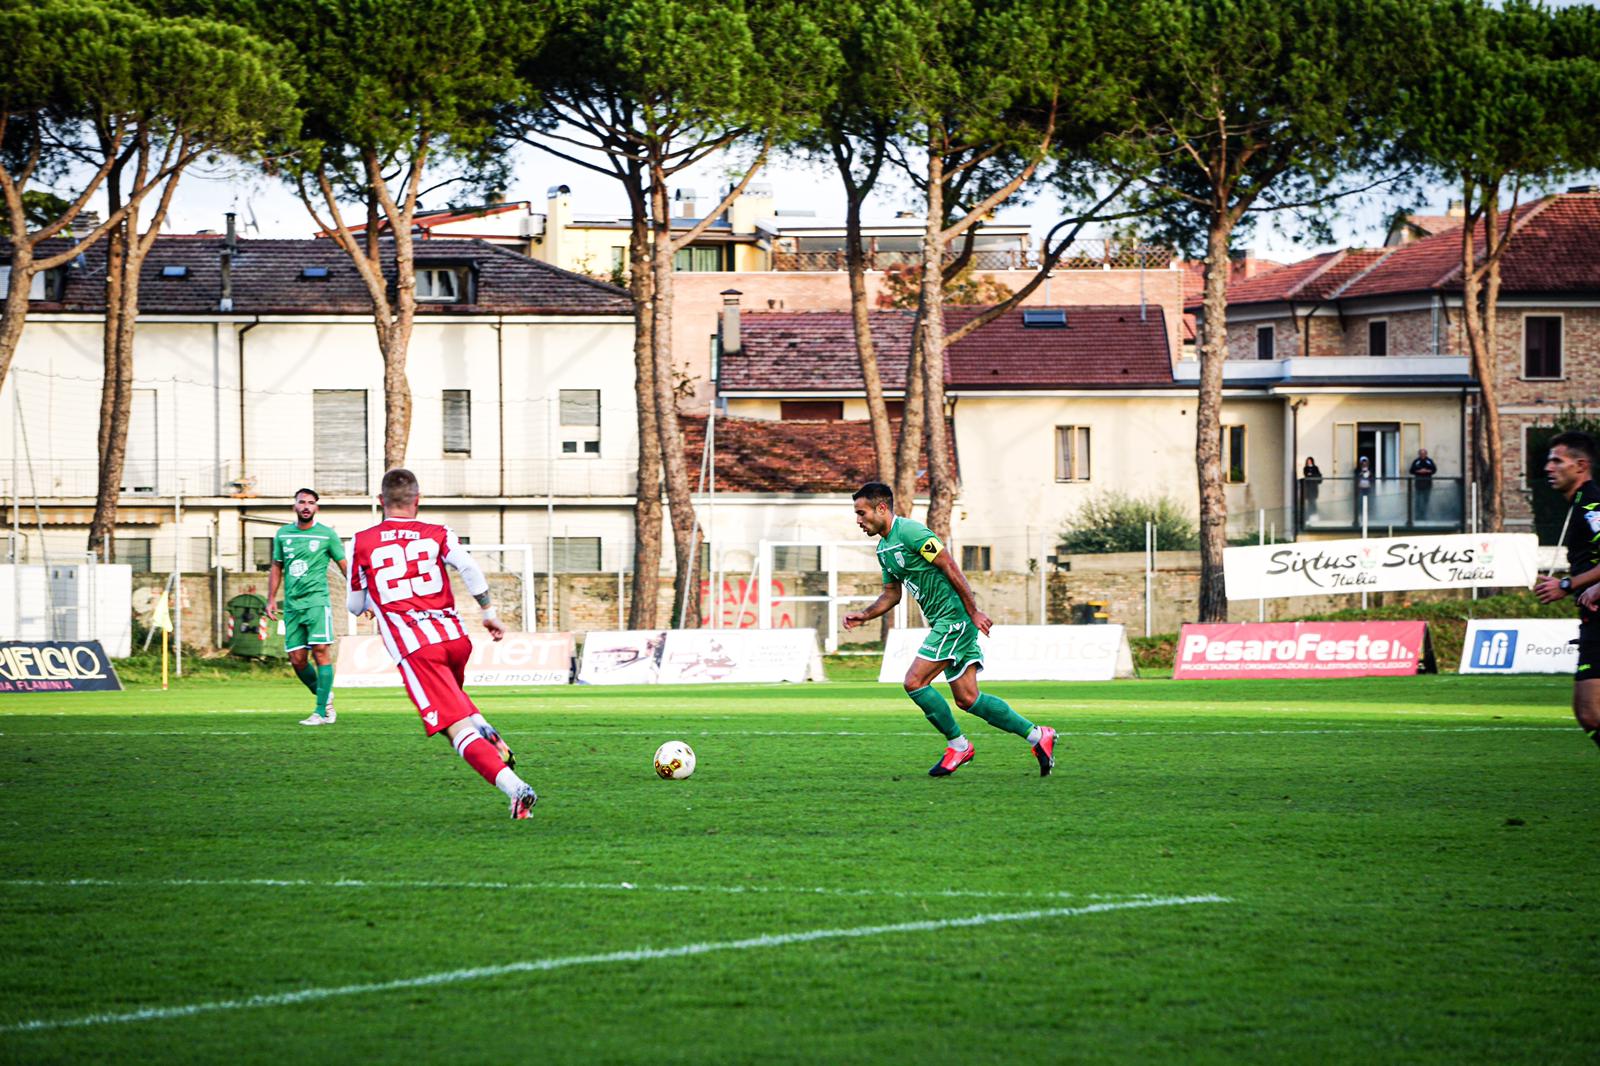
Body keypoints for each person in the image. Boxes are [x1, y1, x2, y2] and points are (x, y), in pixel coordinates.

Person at [347, 468, 537, 819]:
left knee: (454, 729)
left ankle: (515, 788)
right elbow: (468, 568)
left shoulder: (362, 541)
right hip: (454, 639)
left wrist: (375, 600)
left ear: (380, 502)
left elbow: (355, 606)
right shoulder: (438, 533)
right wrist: (488, 612)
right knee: (456, 706)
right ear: (417, 501)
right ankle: (486, 730)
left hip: (417, 649)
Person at [842, 482, 1057, 777]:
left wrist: (972, 610)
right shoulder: (884, 548)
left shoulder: (911, 532)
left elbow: (950, 566)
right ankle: (1037, 736)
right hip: (948, 622)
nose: (858, 520)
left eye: (861, 512)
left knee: (914, 682)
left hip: (953, 620)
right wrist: (864, 615)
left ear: (881, 508)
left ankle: (959, 745)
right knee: (968, 698)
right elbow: (893, 594)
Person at [264, 488, 347, 726]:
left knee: (321, 651)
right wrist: (271, 599)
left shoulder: (327, 535)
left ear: (316, 508)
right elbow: (277, 567)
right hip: (292, 606)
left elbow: (344, 565)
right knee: (297, 659)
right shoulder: (283, 534)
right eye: (302, 502)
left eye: (311, 503)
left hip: (317, 603)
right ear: (295, 506)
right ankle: (326, 698)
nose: (306, 506)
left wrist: (360, 595)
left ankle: (320, 712)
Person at [1539, 432, 1600, 752]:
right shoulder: (1580, 503)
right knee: (1589, 714)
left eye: (1556, 460)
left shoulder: (1592, 503)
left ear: (1580, 465)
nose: (1548, 467)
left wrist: (1567, 585)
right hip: (1592, 622)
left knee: (1590, 712)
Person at [1409, 448, 1437, 519]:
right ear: (1419, 454)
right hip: (1418, 484)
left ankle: (1425, 515)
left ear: (1426, 454)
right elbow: (1411, 471)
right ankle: (1417, 516)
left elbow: (1434, 470)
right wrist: (1418, 471)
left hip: (1427, 484)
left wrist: (1427, 471)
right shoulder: (1416, 461)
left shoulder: (1429, 461)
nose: (1422, 455)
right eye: (1421, 453)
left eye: (1424, 453)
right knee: (1418, 501)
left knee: (1426, 500)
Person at [1354, 456, 1374, 522]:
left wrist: (1369, 474)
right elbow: (1356, 477)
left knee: (1369, 502)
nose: (1364, 464)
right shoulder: (1357, 470)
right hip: (1360, 489)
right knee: (1360, 502)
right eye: (1363, 462)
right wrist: (1361, 474)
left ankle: (1369, 515)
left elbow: (1373, 479)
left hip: (1368, 488)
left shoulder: (1370, 470)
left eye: (1366, 462)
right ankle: (1360, 515)